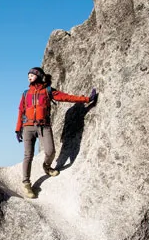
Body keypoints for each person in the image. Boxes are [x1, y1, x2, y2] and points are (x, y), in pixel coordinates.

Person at [15, 67, 97, 198]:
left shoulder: (48, 91)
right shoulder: (26, 94)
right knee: (28, 156)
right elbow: (21, 111)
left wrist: (87, 99)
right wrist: (18, 129)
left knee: (51, 151)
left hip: (44, 126)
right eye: (28, 75)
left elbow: (66, 98)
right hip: (28, 127)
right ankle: (26, 183)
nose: (29, 76)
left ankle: (46, 166)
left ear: (39, 76)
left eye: (32, 74)